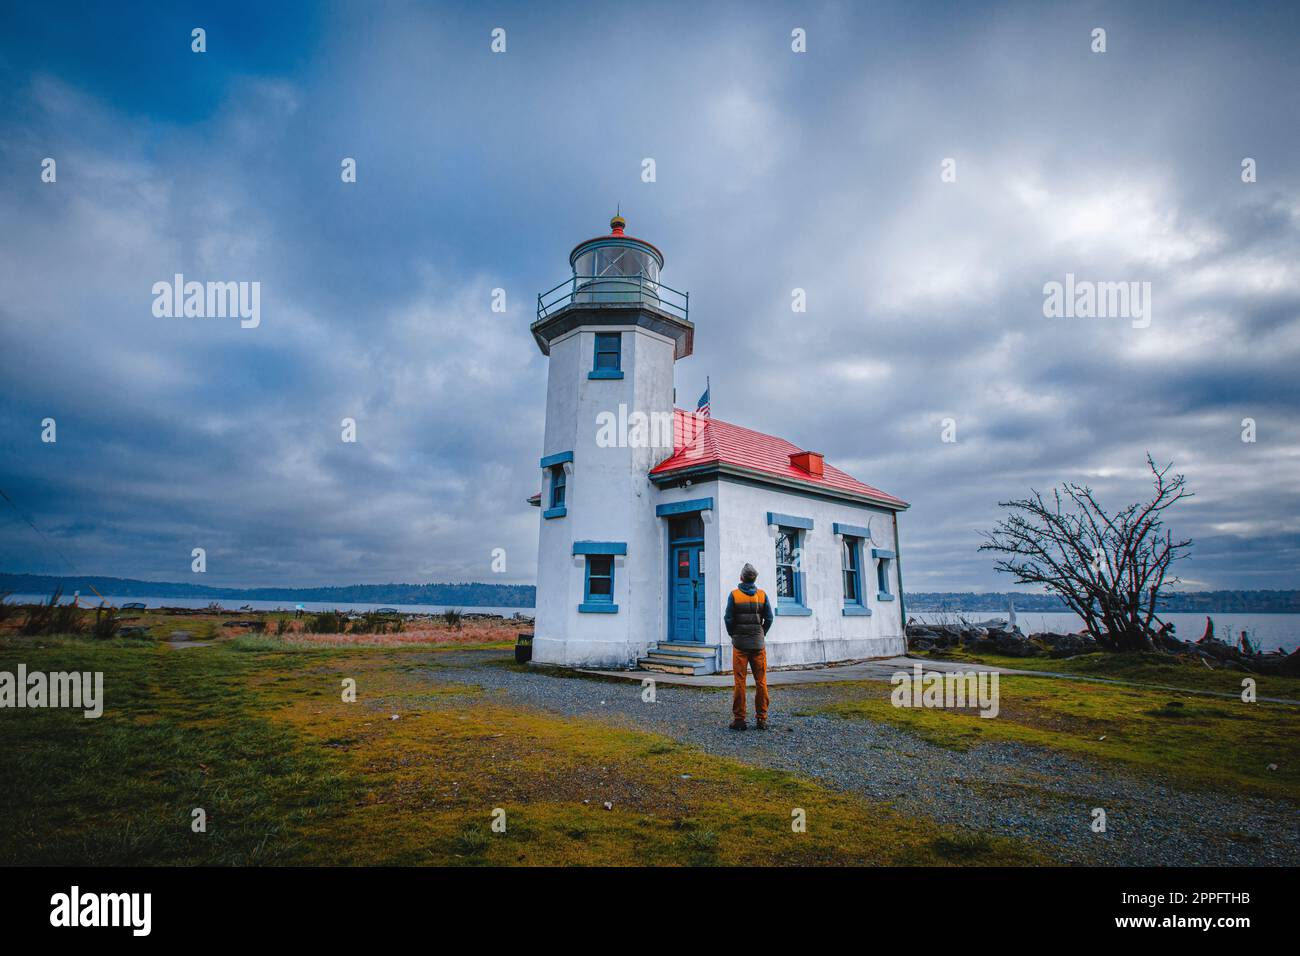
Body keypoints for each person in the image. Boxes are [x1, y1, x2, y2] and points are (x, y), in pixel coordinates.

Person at [724, 563, 774, 730]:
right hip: (758, 644)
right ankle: (762, 719)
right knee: (761, 681)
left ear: (741, 577)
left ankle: (739, 720)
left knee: (740, 681)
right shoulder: (762, 595)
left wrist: (733, 634)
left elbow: (728, 619)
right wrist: (762, 633)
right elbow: (769, 618)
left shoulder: (734, 595)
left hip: (740, 645)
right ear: (754, 579)